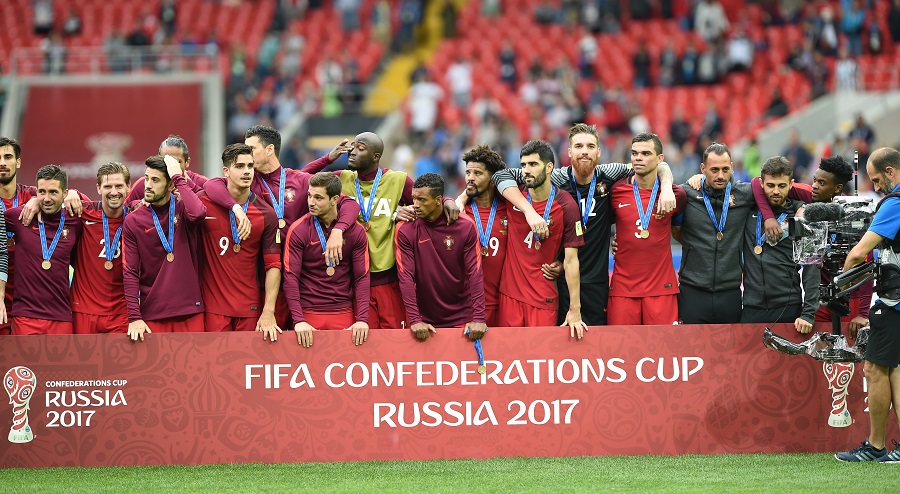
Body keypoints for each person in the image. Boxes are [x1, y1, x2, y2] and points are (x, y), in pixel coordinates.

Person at [493, 125, 675, 326]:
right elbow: (500, 175)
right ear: (569, 152)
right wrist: (528, 211)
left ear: (599, 151)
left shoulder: (610, 173)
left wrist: (666, 186)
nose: (585, 152)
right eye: (579, 146)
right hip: (562, 281)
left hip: (597, 283)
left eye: (590, 146)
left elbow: (657, 165)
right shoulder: (555, 177)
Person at [203, 125, 361, 326]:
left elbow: (349, 204)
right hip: (264, 277)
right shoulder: (247, 179)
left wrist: (339, 230)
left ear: (269, 150)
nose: (245, 157)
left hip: (302, 279)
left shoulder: (300, 181)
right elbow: (211, 185)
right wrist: (235, 207)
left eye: (250, 149)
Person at [302, 131, 459, 330]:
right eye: (353, 147)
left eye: (361, 149)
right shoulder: (342, 179)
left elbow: (427, 199)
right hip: (353, 279)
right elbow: (300, 181)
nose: (352, 152)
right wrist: (328, 158)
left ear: (376, 157)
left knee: (393, 343)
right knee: (365, 345)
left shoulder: (397, 180)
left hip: (387, 278)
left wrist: (447, 200)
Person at [835, 147, 900, 463]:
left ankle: (876, 446)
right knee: (895, 371)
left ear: (891, 172)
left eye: (876, 180)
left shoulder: (894, 203)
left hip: (893, 302)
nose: (875, 187)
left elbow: (860, 252)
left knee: (875, 368)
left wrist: (840, 284)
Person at [494, 140, 587, 337]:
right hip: (510, 295)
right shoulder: (514, 194)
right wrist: (529, 211)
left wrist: (575, 309)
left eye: (533, 164)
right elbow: (495, 176)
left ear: (549, 167)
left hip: (543, 298)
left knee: (540, 362)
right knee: (509, 360)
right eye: (523, 165)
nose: (527, 170)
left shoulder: (566, 206)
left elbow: (571, 261)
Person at [198, 144, 281, 338]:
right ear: (226, 171)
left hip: (249, 309)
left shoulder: (266, 214)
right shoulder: (203, 202)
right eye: (239, 166)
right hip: (212, 308)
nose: (246, 172)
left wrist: (268, 311)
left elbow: (273, 265)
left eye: (250, 166)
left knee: (245, 366)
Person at [123, 155, 207, 341]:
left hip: (190, 311)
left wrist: (178, 178)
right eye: (146, 178)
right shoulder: (134, 220)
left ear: (170, 185)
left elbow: (199, 213)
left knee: (196, 370)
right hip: (152, 315)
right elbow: (130, 271)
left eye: (155, 180)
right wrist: (134, 317)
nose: (148, 185)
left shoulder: (183, 209)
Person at [283, 172, 370, 347]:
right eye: (309, 196)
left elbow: (362, 277)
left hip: (343, 311)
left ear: (335, 199)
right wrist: (298, 319)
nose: (310, 202)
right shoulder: (298, 229)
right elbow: (291, 277)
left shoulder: (356, 232)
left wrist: (362, 319)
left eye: (318, 197)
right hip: (308, 314)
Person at [396, 173, 486, 341]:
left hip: (461, 315)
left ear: (438, 200)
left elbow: (475, 272)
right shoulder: (404, 229)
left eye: (422, 200)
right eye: (414, 199)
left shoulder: (465, 226)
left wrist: (479, 318)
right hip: (424, 319)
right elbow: (405, 276)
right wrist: (415, 319)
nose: (415, 205)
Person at [673, 143, 756, 324]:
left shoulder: (745, 194)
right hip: (692, 290)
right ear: (703, 169)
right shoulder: (686, 194)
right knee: (691, 350)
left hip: (730, 291)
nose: (720, 175)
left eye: (725, 169)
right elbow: (673, 229)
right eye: (714, 169)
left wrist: (799, 207)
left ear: (732, 167)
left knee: (730, 351)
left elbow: (781, 191)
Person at [608, 132, 686, 325]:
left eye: (645, 153)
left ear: (660, 159)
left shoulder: (676, 196)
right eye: (634, 153)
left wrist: (666, 185)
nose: (638, 158)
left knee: (664, 352)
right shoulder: (616, 191)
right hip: (623, 289)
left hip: (662, 288)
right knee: (621, 352)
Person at [740, 156, 818, 330]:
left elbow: (812, 264)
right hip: (751, 307)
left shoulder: (801, 216)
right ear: (761, 184)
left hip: (789, 307)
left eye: (781, 186)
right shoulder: (747, 210)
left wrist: (808, 313)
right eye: (770, 185)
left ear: (791, 184)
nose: (776, 191)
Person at [3, 165, 83, 335]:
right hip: (25, 316)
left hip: (61, 316)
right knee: (24, 363)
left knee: (61, 363)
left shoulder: (75, 220)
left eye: (53, 192)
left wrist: (78, 193)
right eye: (42, 192)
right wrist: (31, 201)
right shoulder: (20, 217)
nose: (46, 198)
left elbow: (112, 208)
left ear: (65, 193)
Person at [70, 163, 133, 334]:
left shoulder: (137, 218)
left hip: (122, 314)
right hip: (84, 311)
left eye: (119, 186)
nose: (113, 192)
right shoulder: (83, 213)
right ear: (98, 188)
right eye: (107, 186)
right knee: (82, 361)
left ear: (128, 186)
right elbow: (48, 198)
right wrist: (70, 192)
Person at [458, 144, 511, 327]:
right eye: (468, 173)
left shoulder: (511, 210)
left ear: (493, 179)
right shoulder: (457, 211)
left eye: (478, 174)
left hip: (506, 305)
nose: (470, 178)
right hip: (467, 308)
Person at [0, 136, 35, 334]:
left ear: (18, 162)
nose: (2, 163)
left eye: (8, 157)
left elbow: (61, 195)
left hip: (29, 299)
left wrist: (72, 194)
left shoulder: (32, 196)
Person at [125, 135, 207, 203]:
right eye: (165, 161)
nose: (170, 166)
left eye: (175, 162)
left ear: (187, 162)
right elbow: (123, 211)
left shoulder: (202, 183)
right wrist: (135, 204)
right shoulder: (144, 184)